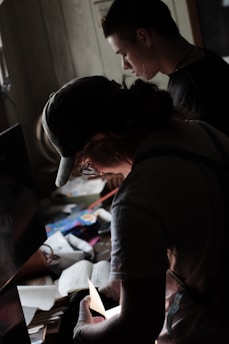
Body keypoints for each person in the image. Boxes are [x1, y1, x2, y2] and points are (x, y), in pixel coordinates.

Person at [42, 75, 229, 343]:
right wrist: (135, 278)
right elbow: (206, 250)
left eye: (87, 164)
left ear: (102, 140)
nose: (95, 173)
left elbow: (138, 327)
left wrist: (83, 334)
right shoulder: (202, 133)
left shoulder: (136, 198)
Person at [101, 0, 229, 136]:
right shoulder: (205, 59)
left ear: (144, 37)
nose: (124, 65)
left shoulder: (190, 92)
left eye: (124, 54)